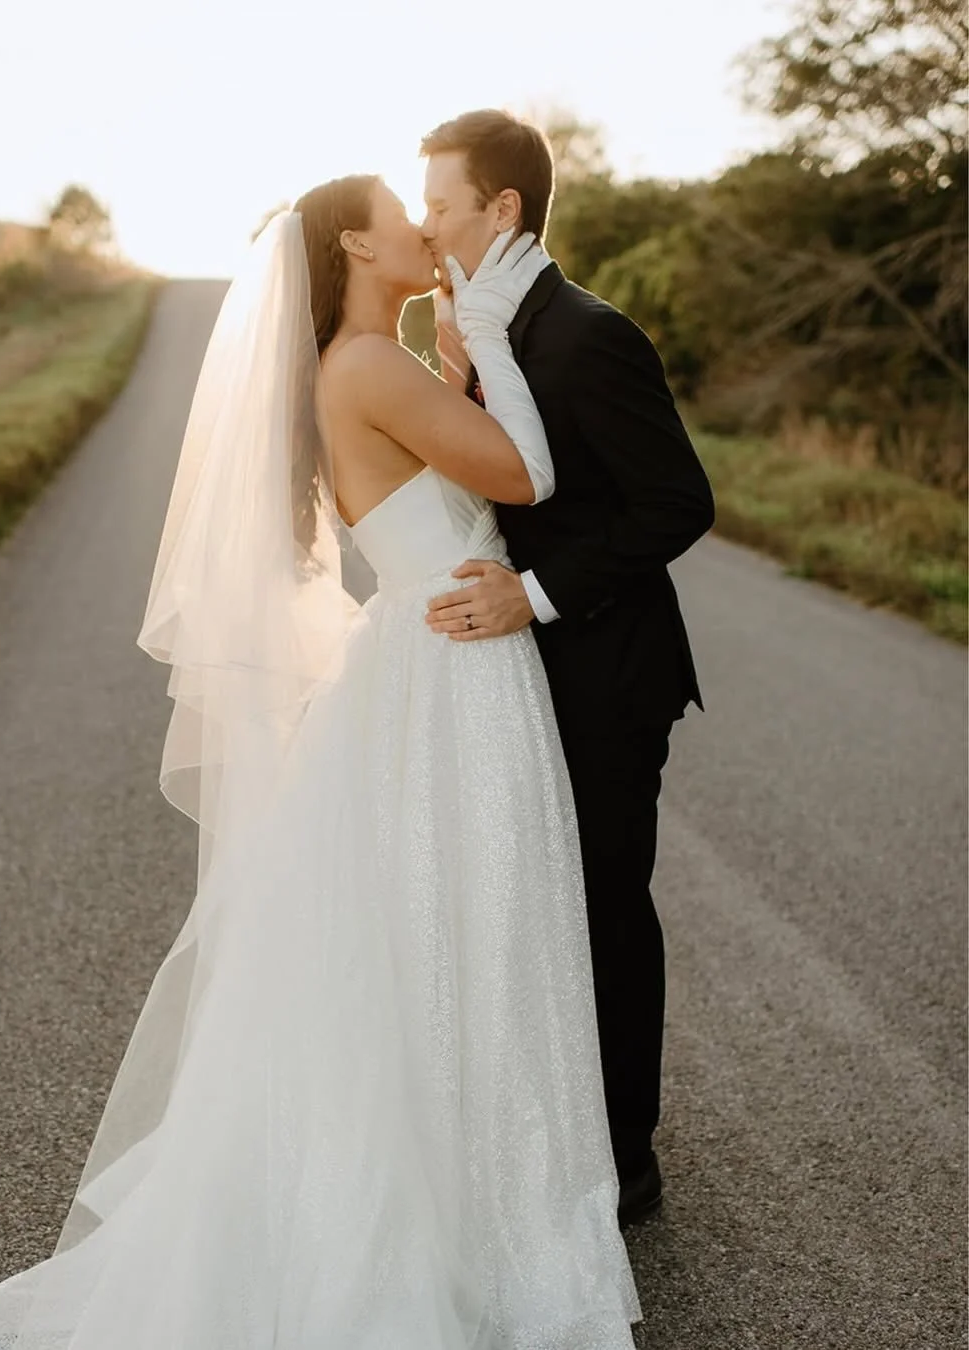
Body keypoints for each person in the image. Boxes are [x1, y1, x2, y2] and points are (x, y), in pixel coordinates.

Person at [0, 174, 642, 1347]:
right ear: (352, 243)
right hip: (451, 667)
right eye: (399, 212)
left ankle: (459, 1184)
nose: (425, 227)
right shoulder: (365, 365)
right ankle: (457, 1212)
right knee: (468, 923)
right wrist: (480, 334)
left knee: (435, 935)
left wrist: (458, 359)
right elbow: (523, 476)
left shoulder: (367, 363)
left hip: (431, 653)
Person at [420, 109, 716, 1224]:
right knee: (540, 901)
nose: (426, 224)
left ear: (503, 210)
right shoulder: (487, 325)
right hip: (526, 672)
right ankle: (563, 1120)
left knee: (602, 902)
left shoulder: (588, 333)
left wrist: (534, 596)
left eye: (443, 204)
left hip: (608, 667)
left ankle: (628, 1159)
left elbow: (680, 502)